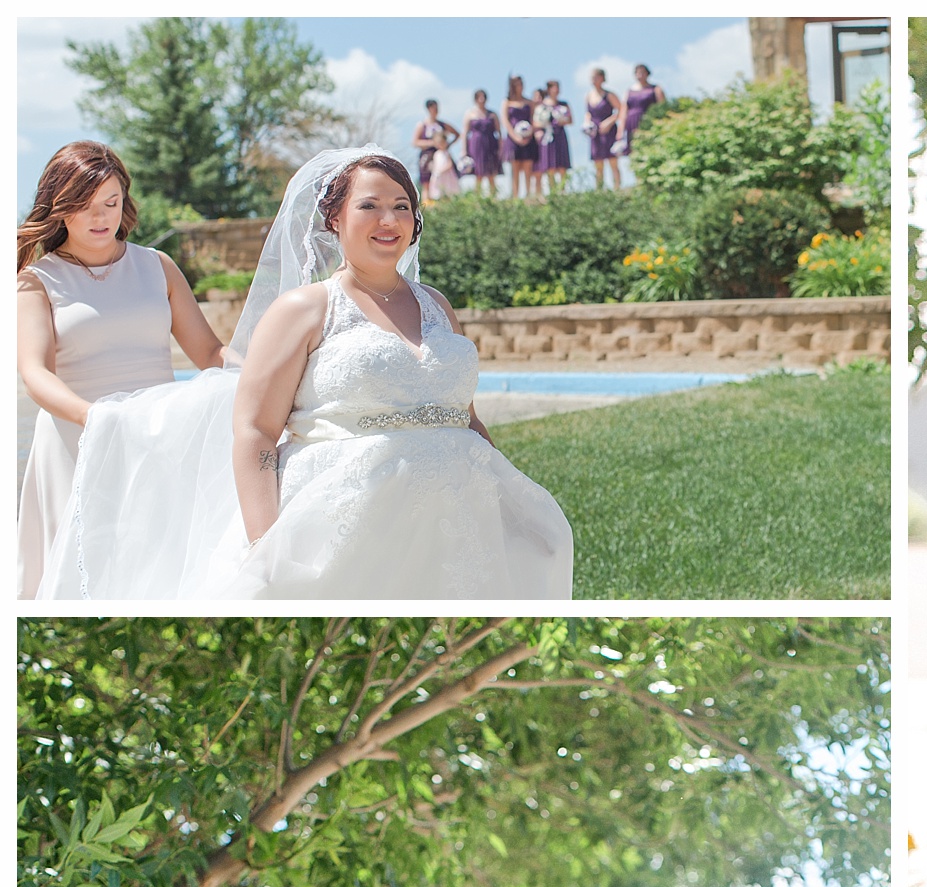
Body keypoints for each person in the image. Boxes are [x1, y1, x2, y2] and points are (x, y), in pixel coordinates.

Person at [40, 146, 573, 599]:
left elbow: (467, 419)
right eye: (370, 206)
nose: (388, 220)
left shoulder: (437, 305)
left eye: (401, 207)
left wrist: (512, 499)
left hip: (460, 518)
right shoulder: (303, 309)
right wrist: (265, 543)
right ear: (334, 218)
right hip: (348, 523)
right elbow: (255, 431)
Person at [17, 142, 227, 596]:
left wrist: (265, 374)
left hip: (157, 439)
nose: (101, 217)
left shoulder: (158, 266)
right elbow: (35, 373)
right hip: (79, 441)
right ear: (60, 208)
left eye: (111, 203)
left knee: (157, 571)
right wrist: (96, 418)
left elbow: (210, 354)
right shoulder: (37, 281)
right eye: (85, 206)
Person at [585, 68, 624, 190]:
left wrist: (609, 121)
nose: (593, 80)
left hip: (609, 131)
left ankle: (617, 188)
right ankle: (599, 190)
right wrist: (587, 123)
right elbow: (588, 113)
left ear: (602, 78)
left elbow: (621, 109)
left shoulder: (609, 95)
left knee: (613, 161)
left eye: (596, 77)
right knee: (598, 164)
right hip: (595, 133)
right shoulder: (588, 96)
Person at [621, 63, 666, 160]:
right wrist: (620, 130)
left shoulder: (655, 89)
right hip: (632, 123)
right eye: (638, 73)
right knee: (633, 151)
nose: (640, 75)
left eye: (642, 72)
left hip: (648, 122)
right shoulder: (628, 91)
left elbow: (662, 107)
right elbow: (624, 111)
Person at [502, 77, 537, 199]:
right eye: (517, 84)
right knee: (515, 168)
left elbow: (533, 119)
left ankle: (528, 195)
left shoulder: (529, 102)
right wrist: (515, 136)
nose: (520, 86)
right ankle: (515, 196)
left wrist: (529, 133)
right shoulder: (507, 102)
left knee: (528, 167)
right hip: (513, 138)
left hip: (528, 138)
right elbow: (505, 121)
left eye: (521, 83)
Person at [411, 100, 457, 192]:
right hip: (427, 156)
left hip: (441, 156)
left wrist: (447, 145)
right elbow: (415, 142)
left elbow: (457, 134)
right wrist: (432, 143)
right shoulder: (422, 125)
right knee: (426, 182)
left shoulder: (442, 124)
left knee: (443, 181)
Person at [463, 88, 502, 196]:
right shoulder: (470, 114)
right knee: (478, 172)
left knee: (491, 172)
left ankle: (493, 197)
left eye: (483, 97)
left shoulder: (492, 114)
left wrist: (500, 148)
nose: (482, 99)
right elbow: (465, 133)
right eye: (479, 97)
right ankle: (478, 197)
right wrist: (464, 150)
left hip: (490, 144)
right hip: (476, 145)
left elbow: (499, 132)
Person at [538, 78, 573, 193]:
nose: (557, 90)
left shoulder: (564, 104)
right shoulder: (542, 105)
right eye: (554, 88)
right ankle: (552, 191)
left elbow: (571, 120)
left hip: (560, 135)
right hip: (548, 136)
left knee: (562, 163)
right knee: (550, 165)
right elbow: (535, 122)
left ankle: (563, 190)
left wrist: (563, 120)